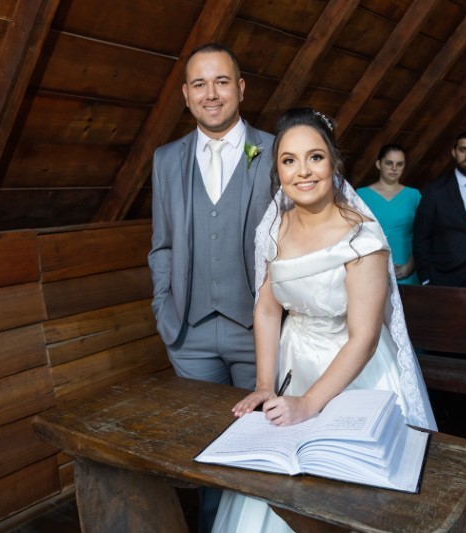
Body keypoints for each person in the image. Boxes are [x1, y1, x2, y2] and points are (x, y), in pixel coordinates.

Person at [211, 108, 436, 533]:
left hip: (357, 369)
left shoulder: (362, 237)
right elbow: (267, 308)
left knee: (354, 494)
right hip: (293, 361)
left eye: (314, 157)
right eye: (289, 160)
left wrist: (309, 403)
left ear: (334, 162)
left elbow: (365, 336)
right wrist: (265, 384)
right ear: (278, 171)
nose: (303, 171)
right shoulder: (274, 228)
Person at [147, 42, 274, 532]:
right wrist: (165, 309)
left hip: (259, 332)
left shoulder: (274, 151)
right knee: (205, 451)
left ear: (240, 88)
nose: (211, 93)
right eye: (199, 84)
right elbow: (162, 244)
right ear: (185, 94)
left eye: (221, 81)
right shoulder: (166, 159)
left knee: (261, 445)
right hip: (190, 334)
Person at [413, 130, 466, 288]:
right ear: (454, 152)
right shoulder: (435, 191)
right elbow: (421, 237)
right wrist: (426, 278)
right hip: (442, 281)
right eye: (463, 150)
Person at [357, 144, 421, 284]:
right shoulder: (361, 195)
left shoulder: (414, 195)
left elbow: (424, 235)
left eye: (399, 164)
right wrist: (374, 267)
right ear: (378, 164)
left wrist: (410, 266)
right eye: (389, 163)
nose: (394, 168)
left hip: (408, 269)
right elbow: (355, 236)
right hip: (372, 268)